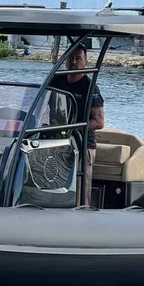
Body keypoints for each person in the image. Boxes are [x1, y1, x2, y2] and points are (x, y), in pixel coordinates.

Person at [49, 44, 105, 205]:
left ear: (85, 62)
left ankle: (83, 210)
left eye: (78, 59)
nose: (74, 62)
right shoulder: (56, 80)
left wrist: (72, 127)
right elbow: (41, 104)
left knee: (81, 186)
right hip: (56, 141)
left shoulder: (90, 88)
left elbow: (99, 122)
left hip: (83, 143)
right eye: (71, 59)